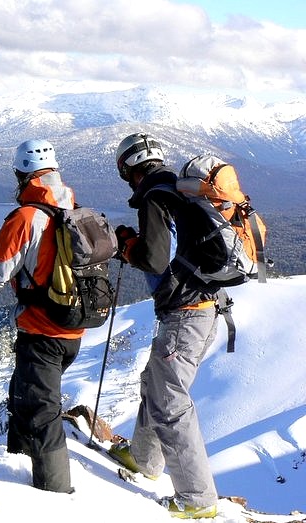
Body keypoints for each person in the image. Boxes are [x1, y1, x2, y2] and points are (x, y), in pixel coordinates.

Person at [0, 139, 83, 493]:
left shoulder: (25, 217)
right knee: (24, 395)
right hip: (73, 325)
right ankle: (20, 465)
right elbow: (39, 257)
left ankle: (54, 493)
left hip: (43, 331)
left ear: (21, 174)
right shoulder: (72, 207)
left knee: (41, 411)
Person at [110, 133, 220, 519]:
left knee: (171, 403)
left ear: (129, 168)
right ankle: (143, 458)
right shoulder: (177, 189)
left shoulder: (156, 196)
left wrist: (127, 245)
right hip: (205, 308)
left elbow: (155, 260)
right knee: (154, 383)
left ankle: (198, 499)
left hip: (186, 314)